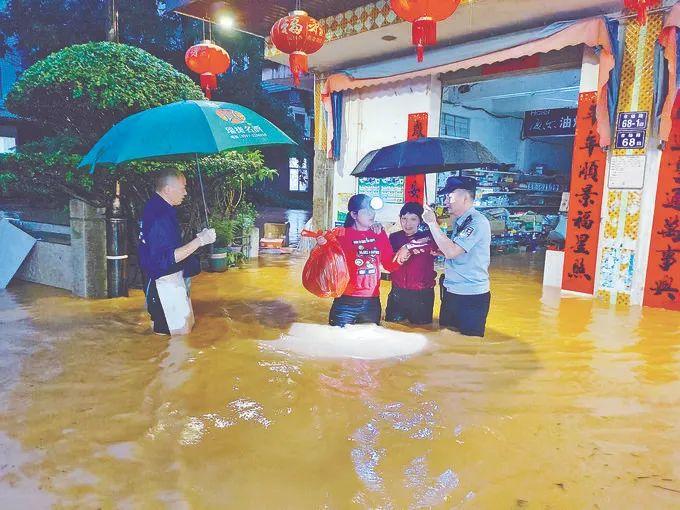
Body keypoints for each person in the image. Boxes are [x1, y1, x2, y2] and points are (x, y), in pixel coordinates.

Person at [138, 169, 216, 335]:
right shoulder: (158, 216)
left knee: (182, 336)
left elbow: (168, 247)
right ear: (168, 189)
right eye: (183, 188)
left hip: (170, 280)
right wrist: (200, 241)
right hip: (162, 284)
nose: (186, 192)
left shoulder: (162, 208)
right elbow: (164, 259)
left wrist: (200, 237)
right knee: (170, 343)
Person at [317, 194, 410, 327]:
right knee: (338, 343)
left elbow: (389, 265)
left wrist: (401, 258)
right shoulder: (340, 234)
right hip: (345, 303)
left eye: (372, 210)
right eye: (366, 211)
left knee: (369, 344)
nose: (371, 214)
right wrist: (321, 244)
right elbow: (322, 263)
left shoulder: (379, 233)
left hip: (371, 303)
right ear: (354, 215)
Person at [422, 176, 491, 337]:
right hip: (452, 291)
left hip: (471, 296)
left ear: (465, 197)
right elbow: (457, 252)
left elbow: (452, 251)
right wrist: (441, 251)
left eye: (449, 196)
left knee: (468, 348)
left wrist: (432, 223)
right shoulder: (461, 221)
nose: (446, 201)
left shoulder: (477, 222)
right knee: (446, 341)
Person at [385, 202, 438, 326]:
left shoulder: (431, 237)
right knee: (391, 328)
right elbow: (387, 261)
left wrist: (408, 247)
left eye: (413, 219)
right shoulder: (394, 237)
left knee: (423, 330)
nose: (407, 224)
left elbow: (436, 246)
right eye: (404, 219)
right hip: (397, 293)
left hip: (422, 295)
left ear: (420, 221)